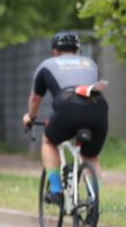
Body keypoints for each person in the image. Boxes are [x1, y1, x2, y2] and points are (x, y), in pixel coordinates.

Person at [21, 32, 109, 205]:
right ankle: (94, 201)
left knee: (48, 141)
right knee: (91, 157)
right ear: (78, 50)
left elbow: (35, 99)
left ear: (55, 51)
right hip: (98, 106)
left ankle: (55, 191)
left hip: (68, 106)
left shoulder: (46, 65)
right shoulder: (89, 63)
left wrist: (30, 117)